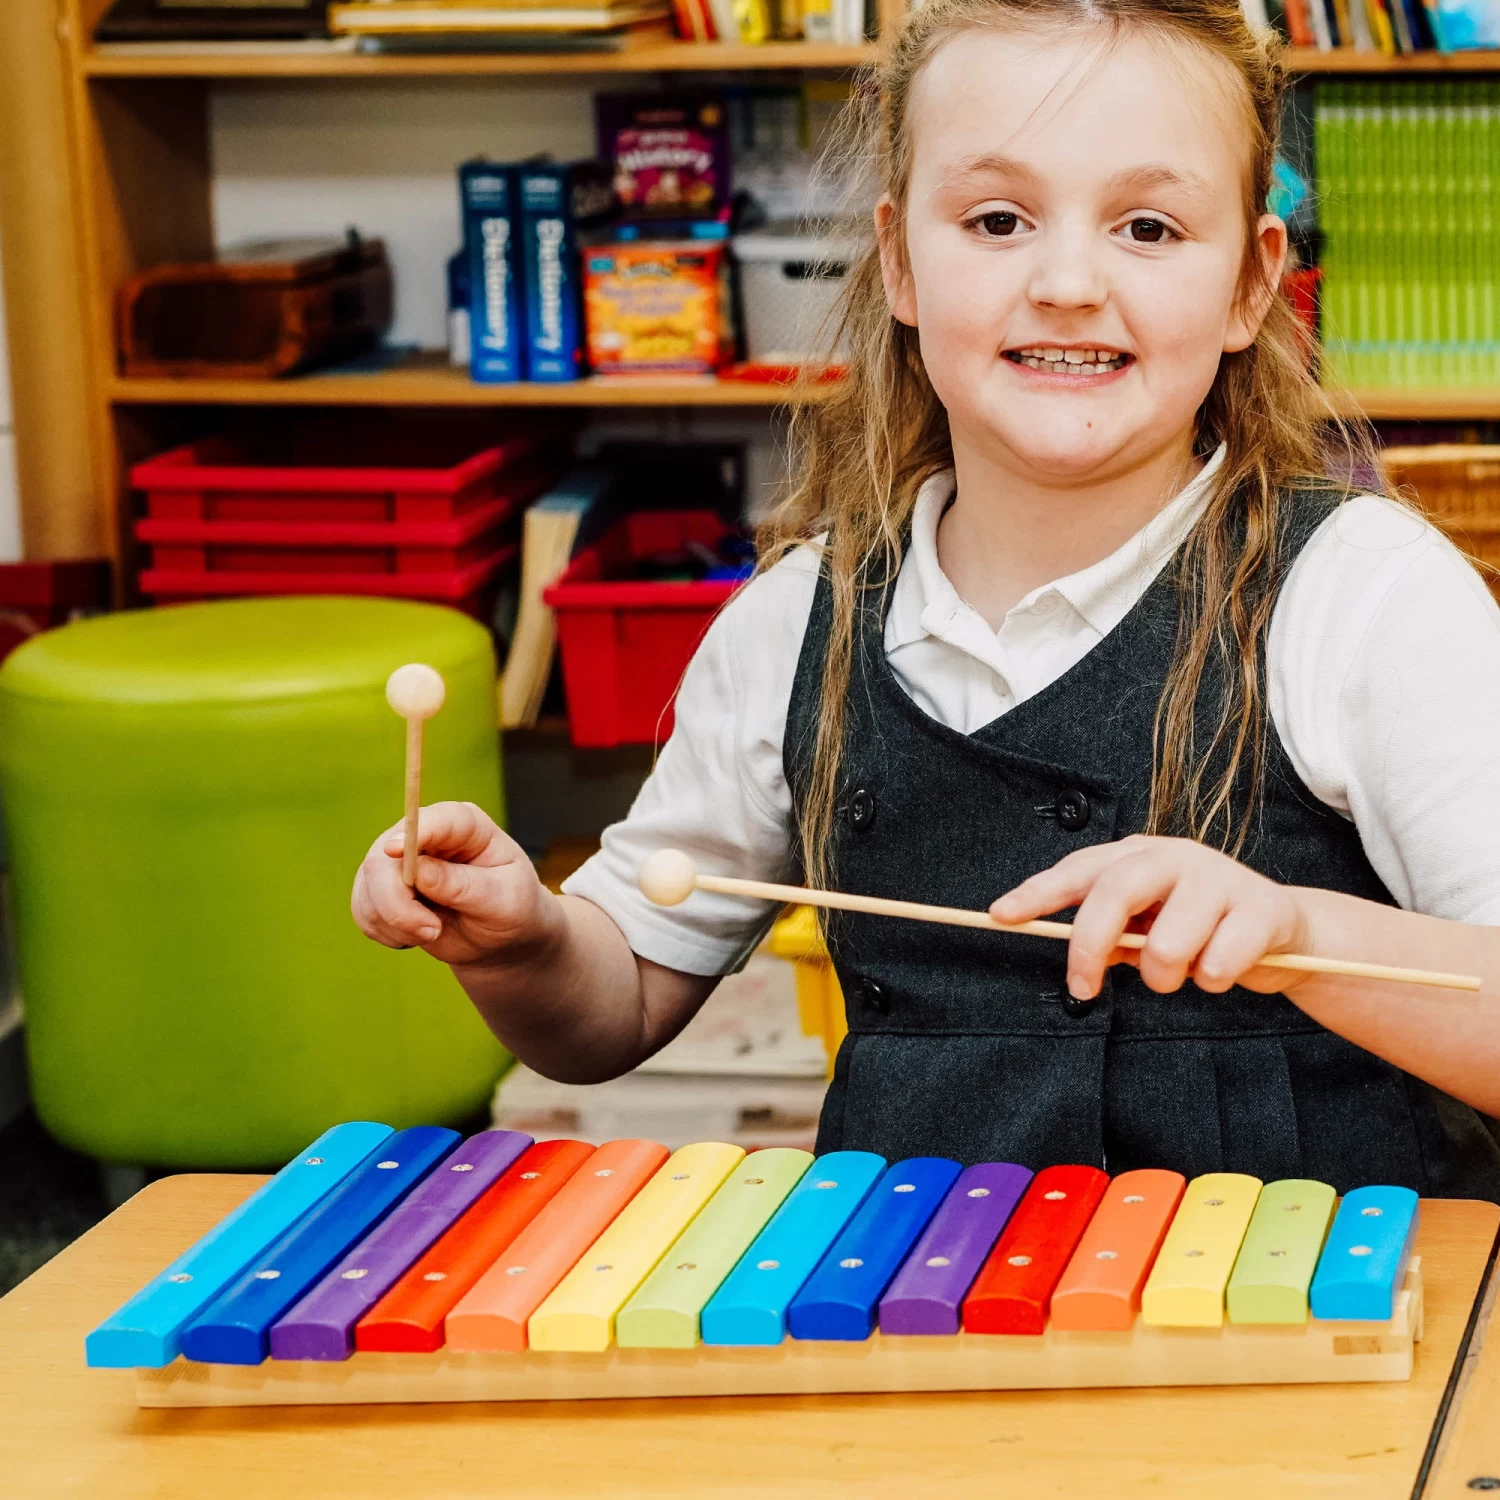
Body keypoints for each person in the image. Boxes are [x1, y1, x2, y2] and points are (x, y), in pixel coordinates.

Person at [353, 0, 1500, 1194]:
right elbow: (612, 1008)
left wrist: (1303, 937)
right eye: (997, 219)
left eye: (1148, 226)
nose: (1066, 281)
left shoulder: (1368, 597)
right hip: (914, 1322)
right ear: (900, 260)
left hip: (1322, 1332)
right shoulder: (795, 620)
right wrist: (523, 941)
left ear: (1251, 286)